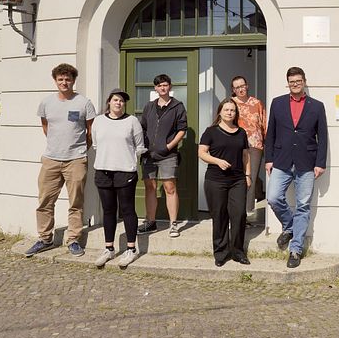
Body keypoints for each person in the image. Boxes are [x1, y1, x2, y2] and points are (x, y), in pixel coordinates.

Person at [25, 63, 96, 258]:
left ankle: (73, 240)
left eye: (68, 79)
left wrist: (80, 150)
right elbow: (46, 127)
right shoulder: (46, 103)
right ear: (55, 80)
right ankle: (45, 239)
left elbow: (90, 132)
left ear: (73, 81)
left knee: (76, 203)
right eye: (61, 79)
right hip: (51, 160)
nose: (64, 82)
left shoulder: (84, 103)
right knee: (45, 201)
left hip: (76, 160)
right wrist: (57, 146)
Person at [265, 67, 328, 269]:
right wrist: (269, 159)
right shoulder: (277, 103)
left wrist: (320, 163)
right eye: (292, 81)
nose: (295, 84)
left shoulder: (317, 106)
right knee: (274, 197)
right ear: (288, 83)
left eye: (298, 81)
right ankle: (290, 226)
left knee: (302, 206)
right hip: (281, 160)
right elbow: (270, 133)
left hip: (306, 163)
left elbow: (323, 137)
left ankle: (296, 249)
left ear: (304, 81)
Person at [91, 89, 146, 268]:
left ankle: (131, 249)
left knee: (127, 209)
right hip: (103, 171)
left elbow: (139, 146)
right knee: (108, 211)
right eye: (116, 100)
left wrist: (125, 161)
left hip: (125, 172)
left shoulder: (132, 121)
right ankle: (109, 248)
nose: (119, 103)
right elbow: (96, 145)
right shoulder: (98, 121)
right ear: (109, 102)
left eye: (122, 101)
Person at [198, 99, 252, 266]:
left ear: (236, 114)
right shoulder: (211, 131)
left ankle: (237, 252)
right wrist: (217, 161)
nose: (229, 112)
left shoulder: (241, 132)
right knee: (220, 216)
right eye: (227, 109)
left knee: (239, 215)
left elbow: (246, 156)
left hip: (237, 180)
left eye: (233, 110)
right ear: (220, 112)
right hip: (216, 180)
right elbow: (201, 153)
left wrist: (248, 175)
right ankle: (220, 253)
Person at [138, 74, 187, 238]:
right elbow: (142, 128)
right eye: (159, 86)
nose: (163, 88)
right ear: (155, 88)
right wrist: (142, 147)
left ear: (170, 87)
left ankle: (173, 224)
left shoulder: (177, 106)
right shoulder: (149, 107)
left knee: (169, 188)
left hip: (168, 154)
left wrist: (168, 146)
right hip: (148, 155)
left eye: (165, 85)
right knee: (150, 188)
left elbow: (182, 130)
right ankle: (151, 222)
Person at [231, 76, 267, 222]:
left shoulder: (257, 103)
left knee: (250, 178)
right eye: (237, 87)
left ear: (247, 86)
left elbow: (264, 124)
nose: (240, 89)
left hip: (255, 145)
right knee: (236, 177)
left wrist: (267, 145)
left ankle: (247, 212)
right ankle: (236, 211)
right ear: (233, 89)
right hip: (235, 145)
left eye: (242, 85)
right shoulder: (230, 103)